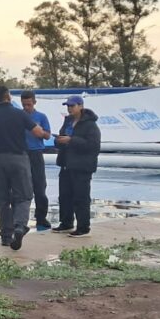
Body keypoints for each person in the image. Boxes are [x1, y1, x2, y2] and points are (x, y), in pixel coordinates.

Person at [0, 85, 52, 251]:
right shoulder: (20, 114)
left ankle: (5, 236)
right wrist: (43, 132)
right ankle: (19, 226)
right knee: (24, 195)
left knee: (2, 199)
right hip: (19, 158)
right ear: (8, 97)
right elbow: (39, 133)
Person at [53, 95, 101, 238]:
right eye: (67, 106)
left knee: (81, 197)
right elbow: (61, 139)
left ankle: (83, 227)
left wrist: (72, 140)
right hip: (66, 165)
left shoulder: (90, 125)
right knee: (65, 196)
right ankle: (66, 222)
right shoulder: (68, 122)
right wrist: (59, 141)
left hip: (82, 167)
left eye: (72, 106)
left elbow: (93, 146)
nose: (69, 109)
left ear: (80, 106)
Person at [19, 90, 53, 230]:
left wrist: (39, 132)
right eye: (24, 105)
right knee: (21, 188)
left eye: (29, 104)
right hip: (22, 154)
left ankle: (41, 217)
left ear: (34, 102)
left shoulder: (41, 117)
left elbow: (47, 135)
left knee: (40, 187)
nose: (27, 107)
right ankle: (21, 220)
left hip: (36, 153)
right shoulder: (18, 116)